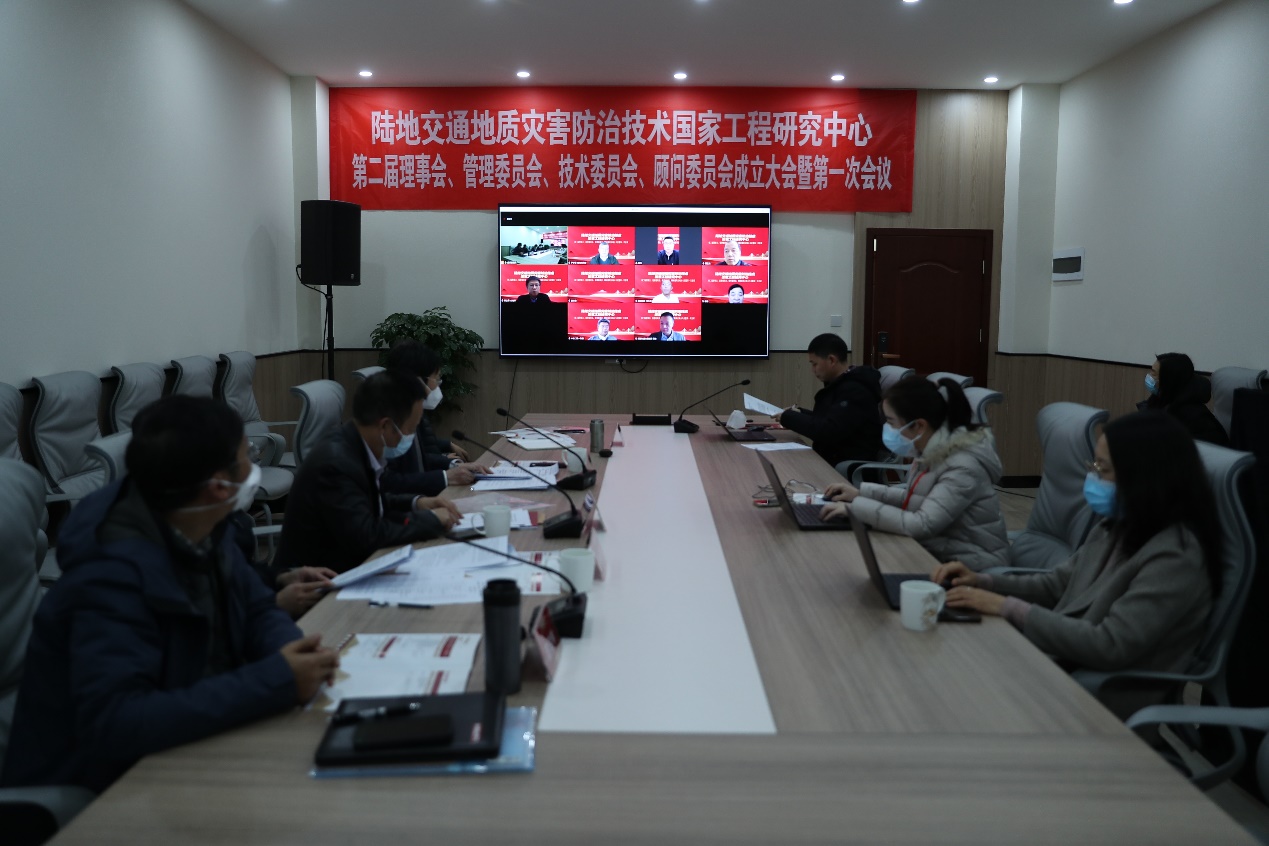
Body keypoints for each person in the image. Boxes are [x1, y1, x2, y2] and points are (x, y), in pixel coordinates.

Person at [0, 396, 338, 793]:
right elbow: (118, 722)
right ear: (218, 486)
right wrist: (276, 679)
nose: (255, 467)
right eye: (248, 457)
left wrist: (292, 650)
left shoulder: (203, 522)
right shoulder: (108, 576)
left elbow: (257, 608)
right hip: (97, 789)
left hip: (191, 745)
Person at [933, 411, 1220, 696]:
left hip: (1099, 696)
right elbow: (1056, 585)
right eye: (1093, 465)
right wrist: (983, 582)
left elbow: (1110, 645)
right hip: (1059, 666)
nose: (1093, 476)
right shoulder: (1118, 527)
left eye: (1102, 469)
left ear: (1143, 477)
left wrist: (1005, 607)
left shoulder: (1176, 556)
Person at [273, 370, 460, 574]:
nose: (411, 436)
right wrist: (430, 520)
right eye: (411, 429)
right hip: (315, 584)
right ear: (385, 426)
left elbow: (371, 502)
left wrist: (417, 503)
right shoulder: (336, 463)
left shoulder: (356, 444)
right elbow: (366, 536)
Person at [819, 375, 1010, 571]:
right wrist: (860, 494)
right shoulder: (931, 451)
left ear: (919, 425)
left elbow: (921, 524)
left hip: (972, 567)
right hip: (938, 552)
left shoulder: (962, 467)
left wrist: (857, 510)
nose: (888, 429)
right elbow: (913, 498)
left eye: (891, 422)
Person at [380, 340, 487, 496]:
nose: (437, 387)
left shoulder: (408, 411)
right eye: (436, 380)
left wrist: (454, 466)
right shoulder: (388, 420)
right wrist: (445, 477)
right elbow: (388, 484)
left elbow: (418, 461)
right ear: (417, 381)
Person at [776, 334, 882, 466]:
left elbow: (828, 431)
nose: (813, 370)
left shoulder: (855, 391)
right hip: (832, 459)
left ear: (831, 360)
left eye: (815, 364)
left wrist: (788, 417)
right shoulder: (842, 384)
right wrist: (799, 413)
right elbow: (828, 419)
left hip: (845, 466)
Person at [1138, 352, 1228, 445]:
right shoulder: (1159, 401)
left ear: (1168, 380)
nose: (1149, 376)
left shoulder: (1197, 420)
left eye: (1153, 373)